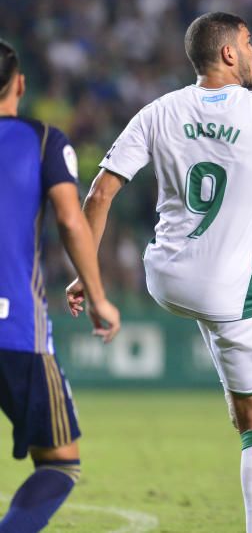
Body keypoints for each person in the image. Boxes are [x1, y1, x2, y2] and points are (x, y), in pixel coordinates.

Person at [66, 13, 252, 533]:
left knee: (220, 336)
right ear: (227, 54)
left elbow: (100, 193)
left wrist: (86, 274)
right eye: (249, 43)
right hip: (231, 291)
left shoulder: (158, 111)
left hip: (167, 278)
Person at [0, 39, 121, 532]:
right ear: (21, 84)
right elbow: (72, 221)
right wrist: (96, 296)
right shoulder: (45, 140)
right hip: (15, 330)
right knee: (59, 462)